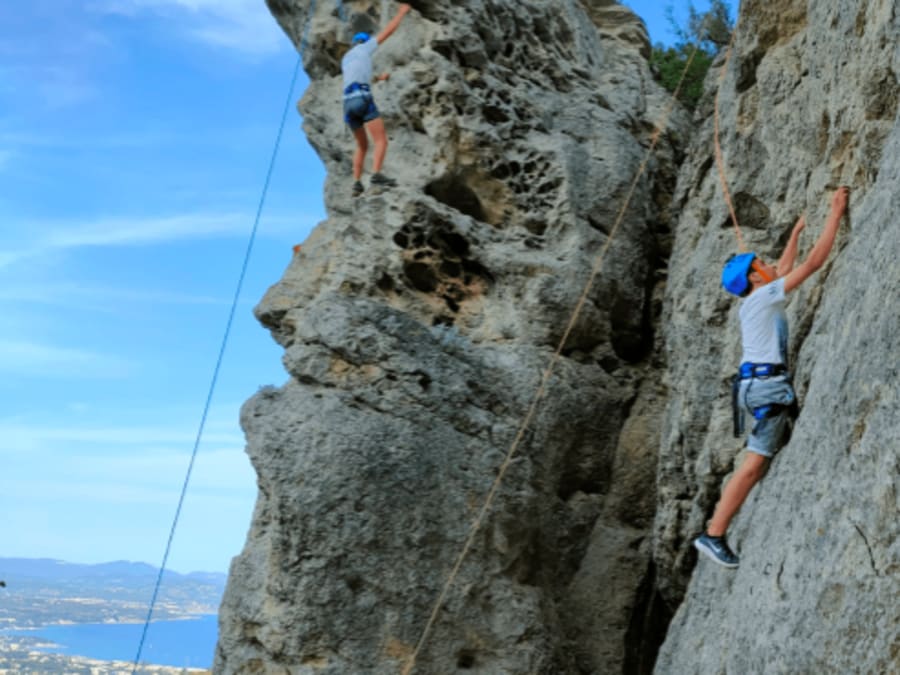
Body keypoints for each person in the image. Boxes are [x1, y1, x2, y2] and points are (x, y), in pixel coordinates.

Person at [694, 186, 850, 568]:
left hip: (755, 385)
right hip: (766, 388)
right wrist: (835, 214)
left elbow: (782, 269)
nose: (768, 264)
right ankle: (713, 535)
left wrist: (795, 234)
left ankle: (714, 531)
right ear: (754, 278)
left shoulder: (756, 298)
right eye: (760, 263)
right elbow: (812, 265)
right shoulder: (763, 297)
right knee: (753, 465)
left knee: (758, 459)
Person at [341, 3, 412, 197]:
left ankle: (356, 184)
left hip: (348, 103)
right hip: (363, 97)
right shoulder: (365, 49)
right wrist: (401, 13)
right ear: (364, 42)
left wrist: (378, 79)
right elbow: (387, 32)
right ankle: (376, 175)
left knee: (362, 146)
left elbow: (357, 76)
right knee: (380, 140)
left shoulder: (346, 58)